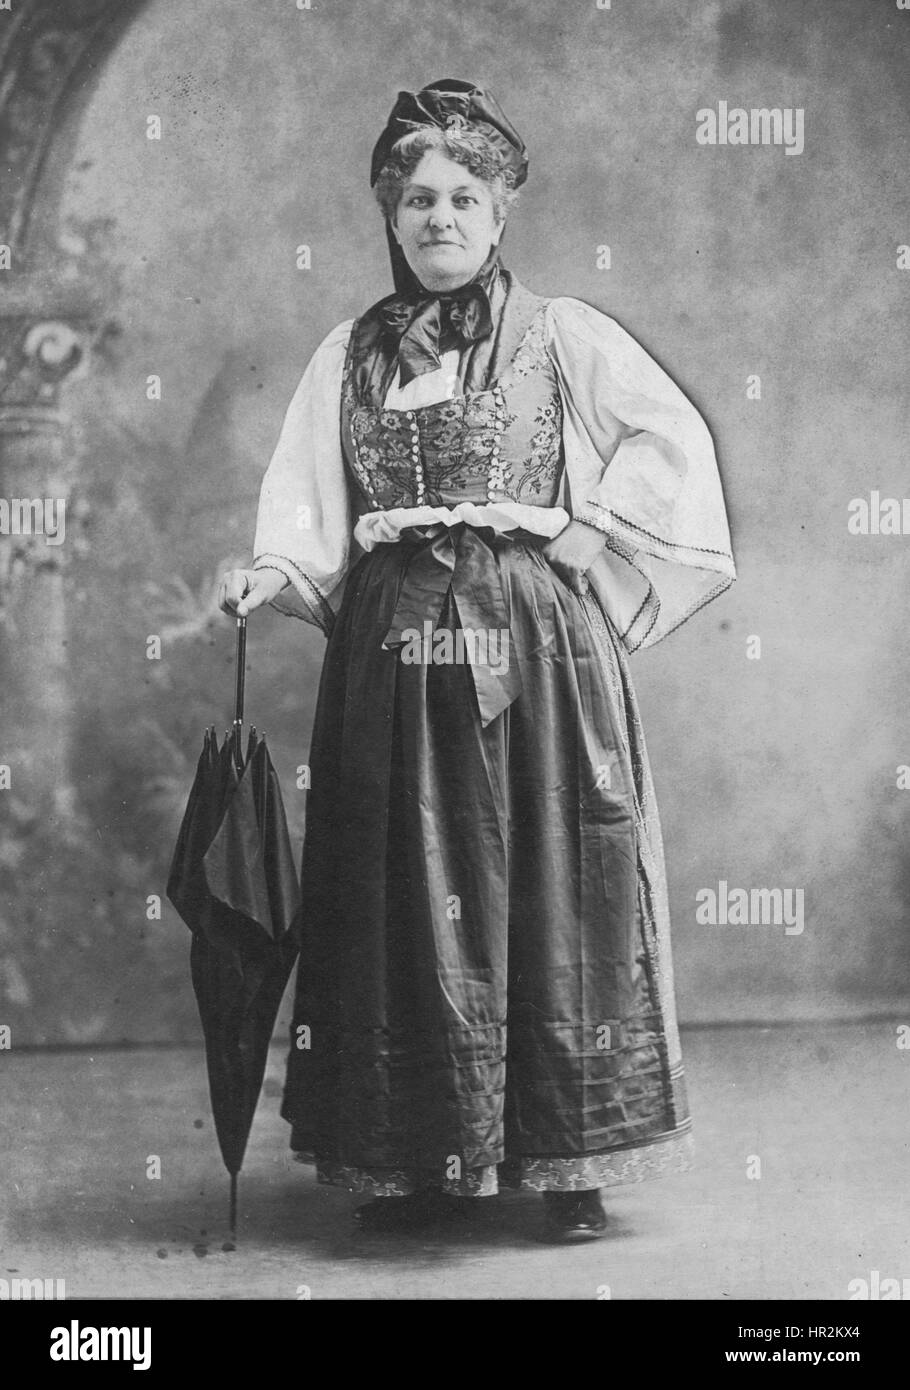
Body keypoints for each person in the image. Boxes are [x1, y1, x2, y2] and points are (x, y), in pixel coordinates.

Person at [219, 78, 736, 1243]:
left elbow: (670, 441)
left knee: (555, 871)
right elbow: (305, 506)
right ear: (390, 218)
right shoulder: (347, 354)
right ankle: (406, 1159)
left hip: (535, 643)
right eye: (414, 200)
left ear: (500, 214)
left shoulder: (561, 333)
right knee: (393, 875)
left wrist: (585, 526)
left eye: (460, 197)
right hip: (392, 650)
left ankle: (567, 1158)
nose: (437, 217)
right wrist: (268, 575)